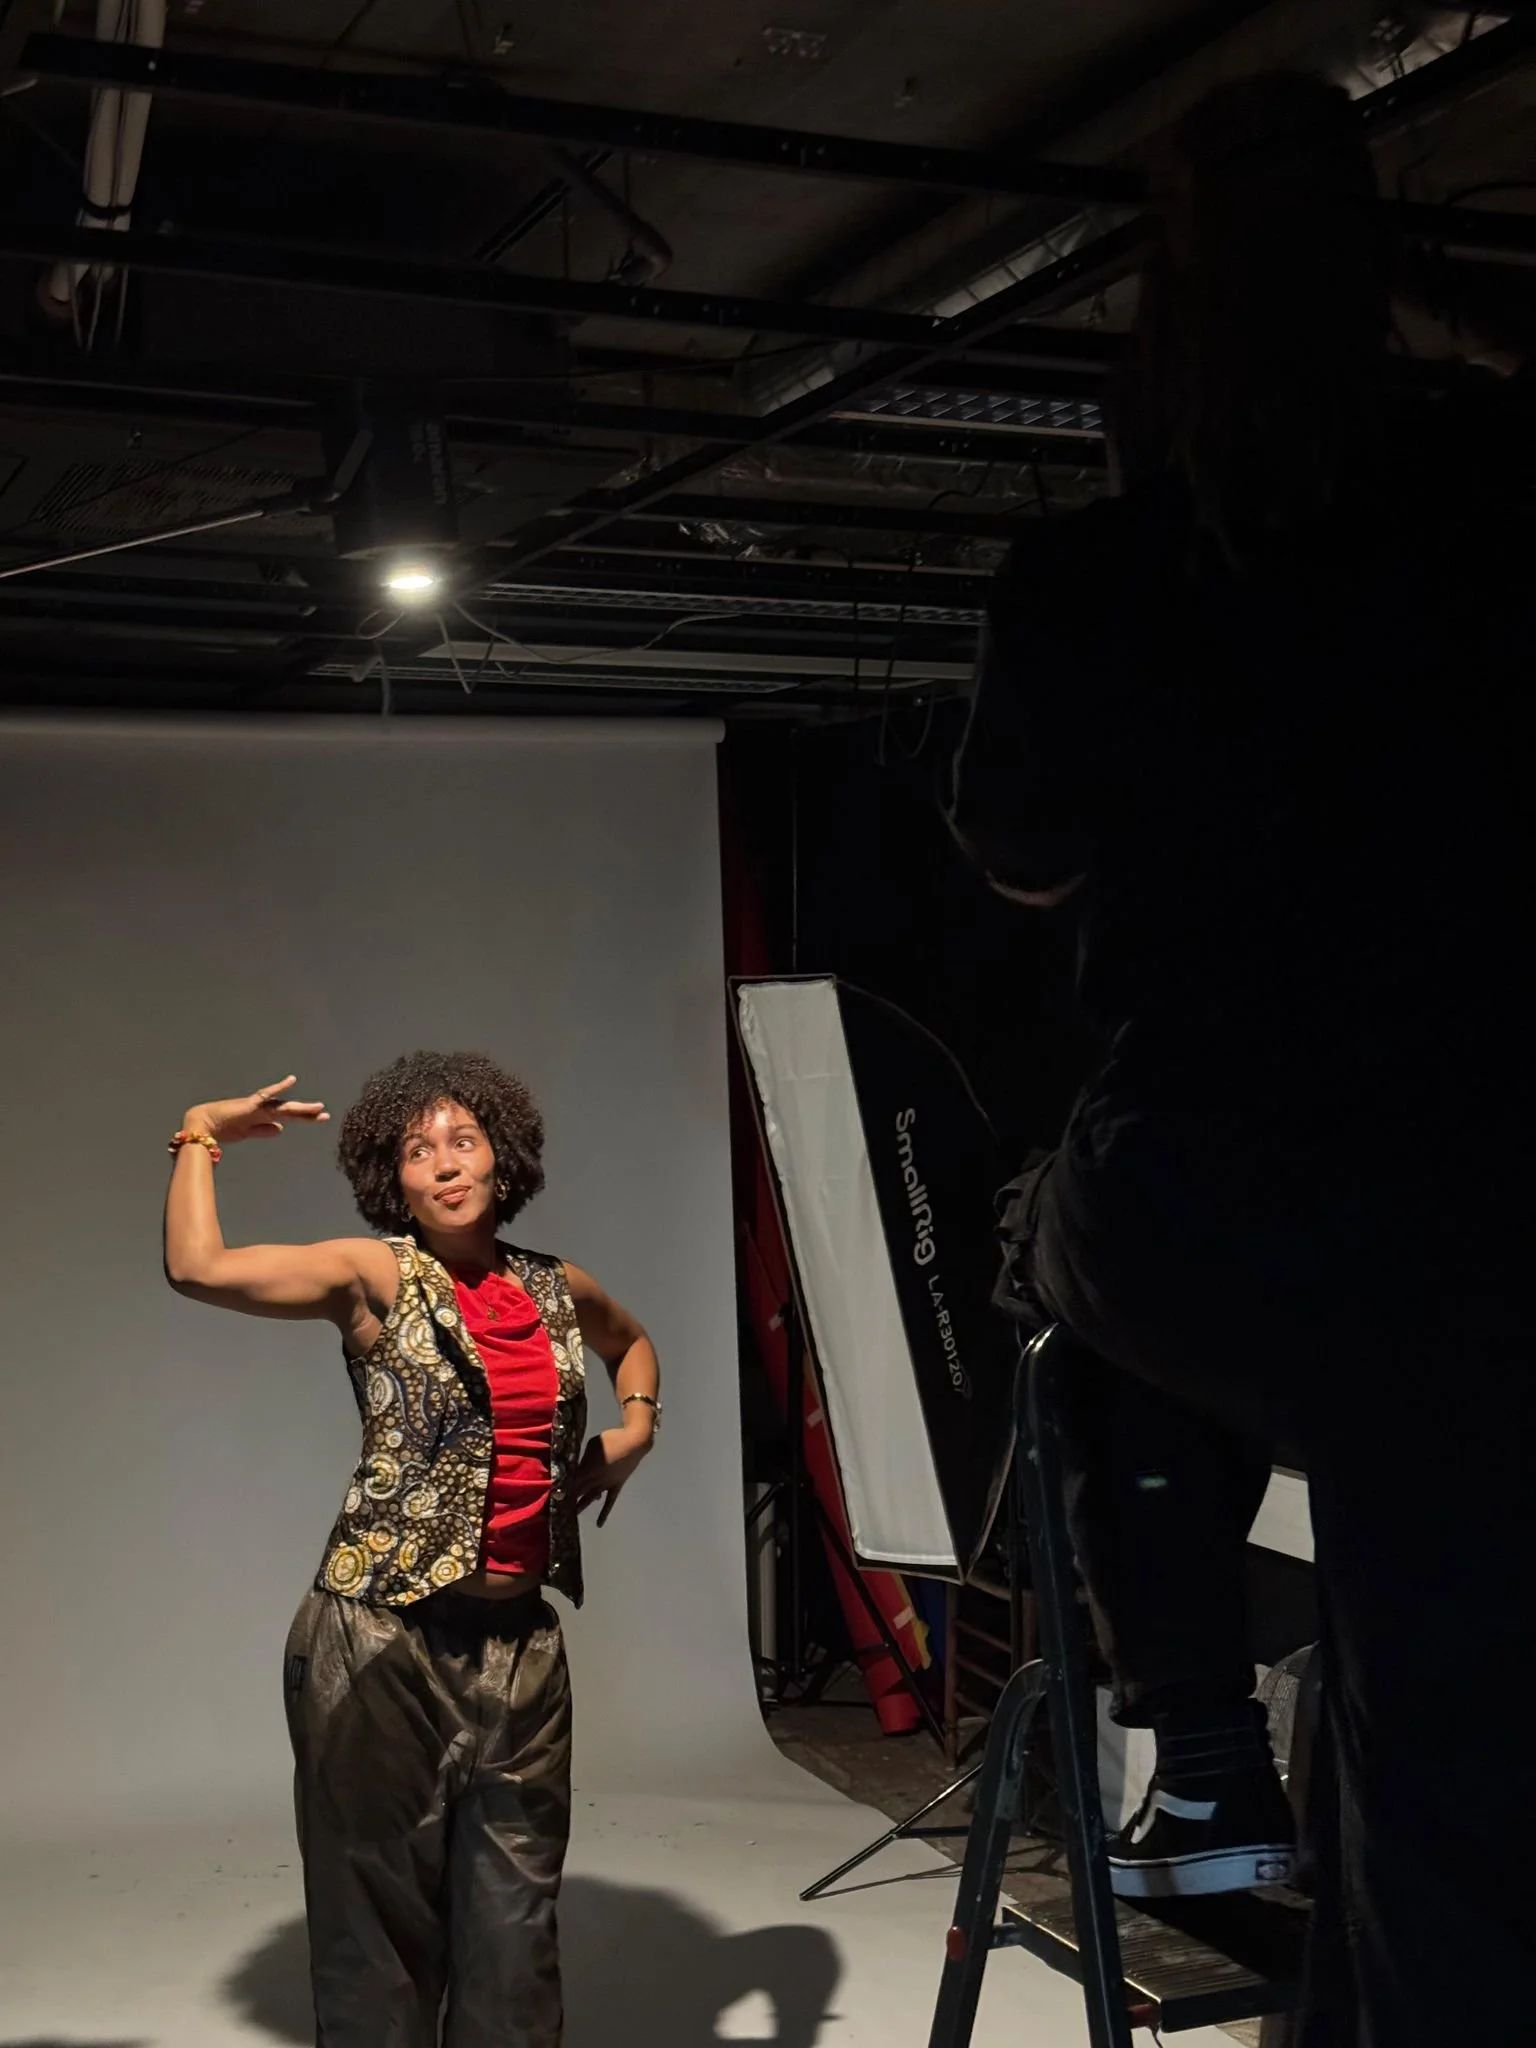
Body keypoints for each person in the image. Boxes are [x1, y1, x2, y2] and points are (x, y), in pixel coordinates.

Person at [949, 72, 1532, 2047]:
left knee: (1052, 1241)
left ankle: (1195, 1734)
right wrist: (1425, 282)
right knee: (1443, 1712)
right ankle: (1220, 1759)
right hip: (1473, 1198)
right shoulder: (1486, 501)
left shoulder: (1099, 570)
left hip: (1223, 1197)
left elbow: (1021, 852)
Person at [163, 1049, 660, 2048]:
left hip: (521, 1651)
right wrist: (199, 1132)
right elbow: (198, 1268)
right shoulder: (372, 1275)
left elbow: (631, 1342)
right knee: (376, 1941)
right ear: (393, 1179)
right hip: (379, 1643)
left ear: (501, 1155)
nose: (444, 1162)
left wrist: (635, 1430)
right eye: (417, 1149)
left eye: (463, 1140)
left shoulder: (554, 1286)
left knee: (516, 1940)